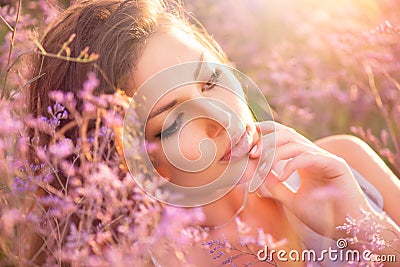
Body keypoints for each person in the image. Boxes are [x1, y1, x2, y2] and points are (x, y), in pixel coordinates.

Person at [29, 0, 400, 266]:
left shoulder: (345, 163)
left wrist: (368, 227)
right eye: (172, 121)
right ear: (124, 161)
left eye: (211, 80)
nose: (220, 117)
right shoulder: (149, 259)